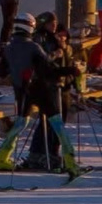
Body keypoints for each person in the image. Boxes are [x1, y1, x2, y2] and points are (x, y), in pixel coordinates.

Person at [0, 13, 84, 176]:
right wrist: (70, 70)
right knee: (57, 124)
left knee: (20, 123)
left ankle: (1, 158)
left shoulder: (9, 48)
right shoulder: (33, 47)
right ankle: (70, 162)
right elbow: (47, 69)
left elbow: (2, 72)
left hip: (21, 91)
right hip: (41, 90)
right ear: (30, 27)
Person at [24, 12, 81, 169]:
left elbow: (65, 63)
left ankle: (51, 153)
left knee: (57, 123)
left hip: (61, 87)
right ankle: (40, 153)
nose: (54, 27)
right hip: (48, 86)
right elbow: (46, 64)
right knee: (50, 122)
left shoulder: (59, 44)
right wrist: (58, 56)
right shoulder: (42, 40)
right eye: (51, 23)